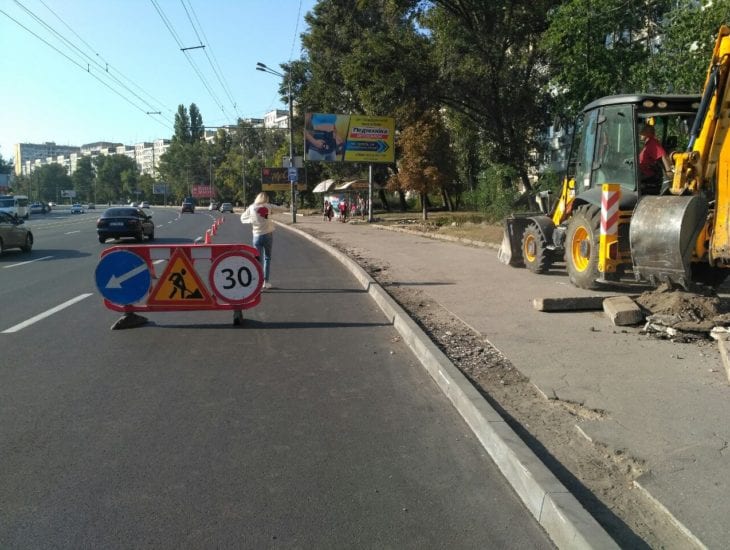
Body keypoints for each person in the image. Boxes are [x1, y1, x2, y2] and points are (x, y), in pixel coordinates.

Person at [240, 192, 275, 289]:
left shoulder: (251, 207)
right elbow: (283, 209)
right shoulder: (269, 206)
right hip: (268, 235)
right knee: (267, 258)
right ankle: (265, 282)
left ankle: (258, 282)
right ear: (266, 199)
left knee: (257, 260)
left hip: (256, 236)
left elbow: (242, 218)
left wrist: (252, 220)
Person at [638, 124, 673, 194]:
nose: (640, 134)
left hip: (646, 174)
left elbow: (663, 156)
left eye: (642, 132)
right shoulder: (648, 144)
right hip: (642, 171)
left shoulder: (653, 143)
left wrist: (669, 171)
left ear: (648, 133)